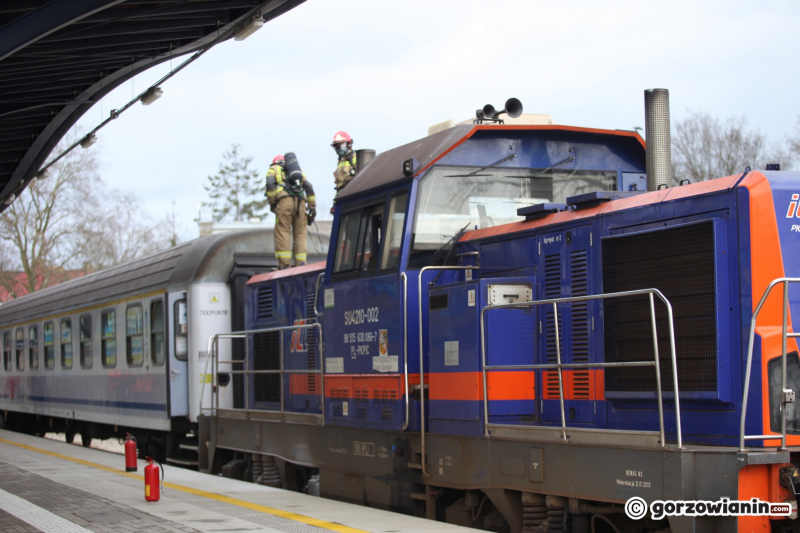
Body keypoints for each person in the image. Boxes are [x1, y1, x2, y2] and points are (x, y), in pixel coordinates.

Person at [265, 153, 316, 269]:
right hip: (300, 202)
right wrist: (312, 207)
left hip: (284, 203)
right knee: (300, 233)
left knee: (283, 232)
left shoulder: (273, 169)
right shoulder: (297, 171)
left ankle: (284, 265)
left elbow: (270, 185)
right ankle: (301, 264)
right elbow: (308, 186)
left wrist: (273, 203)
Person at [331, 131, 356, 212]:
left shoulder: (354, 157)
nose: (339, 148)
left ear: (348, 144)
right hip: (342, 200)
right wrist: (335, 203)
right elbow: (339, 186)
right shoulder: (341, 161)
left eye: (341, 145)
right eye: (337, 146)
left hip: (351, 198)